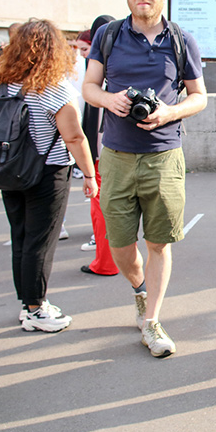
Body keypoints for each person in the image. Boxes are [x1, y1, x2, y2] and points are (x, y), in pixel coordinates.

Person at [82, 0, 207, 358]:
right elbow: (88, 88)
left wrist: (168, 113)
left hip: (163, 156)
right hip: (116, 156)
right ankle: (140, 290)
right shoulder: (109, 35)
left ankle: (152, 321)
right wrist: (110, 99)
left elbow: (199, 96)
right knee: (119, 244)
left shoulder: (180, 40)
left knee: (158, 242)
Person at [0, 19, 98, 332]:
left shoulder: (1, 84)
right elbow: (75, 138)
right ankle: (37, 310)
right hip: (47, 174)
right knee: (41, 243)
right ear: (52, 50)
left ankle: (27, 304)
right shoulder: (53, 89)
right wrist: (90, 176)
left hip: (9, 169)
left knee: (21, 238)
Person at [79, 14, 120, 275]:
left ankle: (105, 263)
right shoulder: (121, 56)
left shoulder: (97, 65)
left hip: (102, 149)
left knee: (102, 207)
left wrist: (88, 160)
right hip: (119, 147)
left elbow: (91, 117)